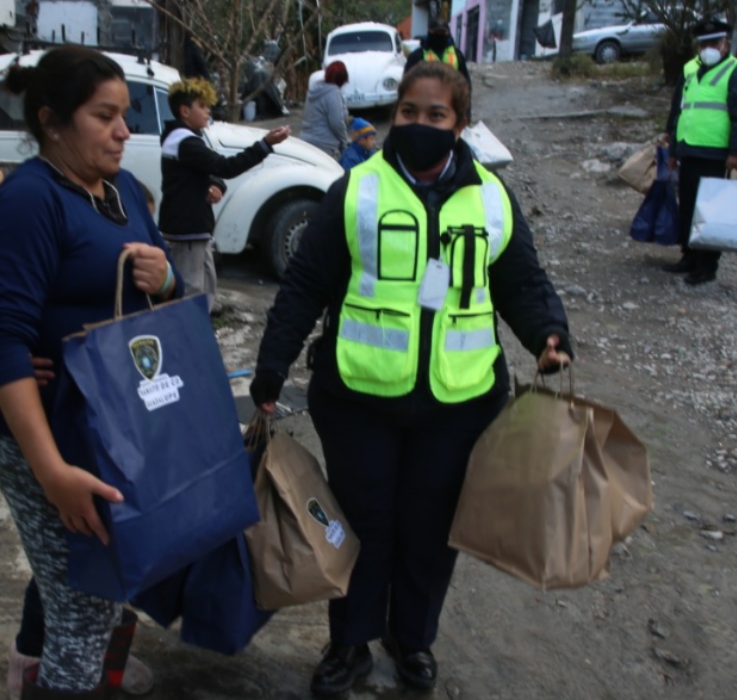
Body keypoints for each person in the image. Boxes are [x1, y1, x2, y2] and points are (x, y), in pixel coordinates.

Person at [249, 62, 572, 696]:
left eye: (437, 116)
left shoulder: (492, 197)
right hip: (359, 398)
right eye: (409, 112)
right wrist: (272, 363)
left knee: (430, 530)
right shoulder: (357, 189)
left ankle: (412, 638)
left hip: (461, 402)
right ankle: (350, 643)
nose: (420, 125)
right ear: (394, 114)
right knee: (361, 526)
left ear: (461, 124)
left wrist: (548, 335)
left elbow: (520, 282)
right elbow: (308, 283)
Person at [0, 46, 184, 700]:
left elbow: (159, 297)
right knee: (81, 604)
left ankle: (102, 680)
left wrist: (169, 277)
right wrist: (51, 473)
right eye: (105, 116)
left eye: (126, 115)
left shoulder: (122, 189)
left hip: (118, 424)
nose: (125, 131)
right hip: (50, 437)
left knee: (112, 574)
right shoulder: (29, 200)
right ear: (53, 121)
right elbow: (2, 340)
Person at [158, 77, 290, 306]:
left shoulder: (186, 140)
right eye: (202, 106)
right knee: (192, 291)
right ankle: (189, 336)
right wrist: (265, 144)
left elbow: (210, 170)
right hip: (187, 229)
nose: (208, 111)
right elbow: (225, 166)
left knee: (206, 284)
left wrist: (216, 185)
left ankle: (199, 332)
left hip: (194, 228)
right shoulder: (185, 142)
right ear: (185, 111)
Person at [663, 16, 737, 285]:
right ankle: (689, 256)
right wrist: (672, 149)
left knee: (709, 211)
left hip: (716, 153)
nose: (708, 48)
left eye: (714, 42)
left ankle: (707, 266)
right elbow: (677, 110)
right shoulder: (690, 70)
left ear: (725, 44)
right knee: (688, 208)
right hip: (689, 148)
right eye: (703, 44)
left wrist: (736, 152)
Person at [404, 20, 472, 96]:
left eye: (443, 32)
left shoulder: (457, 55)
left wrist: (466, 106)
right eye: (436, 32)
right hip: (426, 101)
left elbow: (466, 84)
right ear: (429, 33)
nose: (439, 35)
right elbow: (407, 84)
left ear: (448, 33)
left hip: (451, 102)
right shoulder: (417, 56)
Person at [299, 61, 350, 158]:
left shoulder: (314, 89)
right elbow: (336, 122)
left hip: (305, 140)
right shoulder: (333, 93)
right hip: (323, 144)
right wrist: (344, 141)